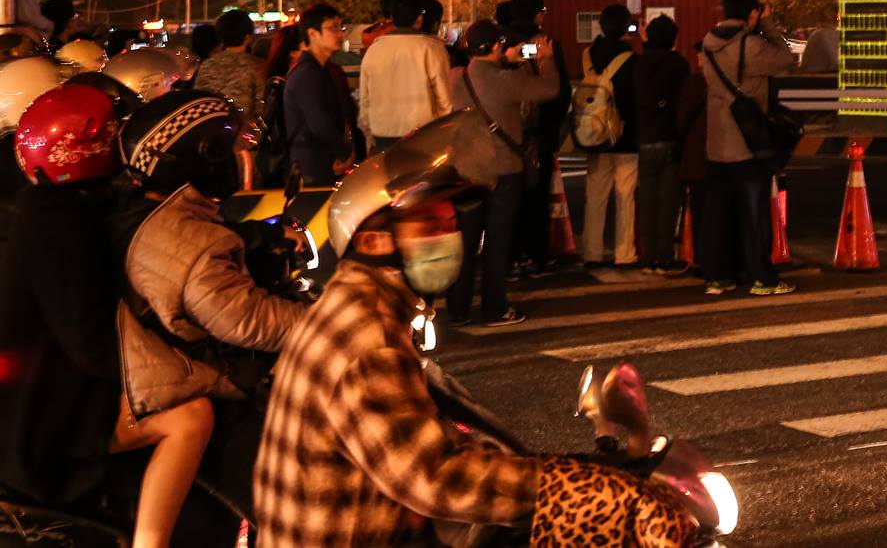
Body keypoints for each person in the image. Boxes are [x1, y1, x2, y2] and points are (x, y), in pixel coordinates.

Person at [252, 111, 691, 548]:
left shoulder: (356, 307)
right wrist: (593, 490)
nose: (449, 237)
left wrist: (577, 469)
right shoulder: (367, 341)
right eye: (429, 225)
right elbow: (440, 477)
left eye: (450, 224)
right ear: (374, 241)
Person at [0, 83, 217, 548]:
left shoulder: (57, 208)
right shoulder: (60, 227)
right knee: (191, 416)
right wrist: (194, 371)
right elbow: (96, 346)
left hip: (47, 393)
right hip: (42, 420)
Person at [112, 90, 308, 525]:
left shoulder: (150, 210)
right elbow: (249, 320)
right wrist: (336, 322)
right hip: (186, 386)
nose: (239, 160)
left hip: (166, 375)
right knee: (301, 499)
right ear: (203, 159)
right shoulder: (181, 239)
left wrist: (259, 237)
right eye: (230, 150)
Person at [444, 20, 558, 327]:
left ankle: (458, 309)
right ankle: (495, 308)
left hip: (467, 170)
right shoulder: (507, 81)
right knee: (497, 240)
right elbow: (549, 89)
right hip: (503, 169)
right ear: (497, 46)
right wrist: (543, 59)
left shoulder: (456, 77)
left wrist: (508, 61)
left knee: (466, 240)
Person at [698, 0, 795, 296]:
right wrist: (767, 24)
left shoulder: (707, 46)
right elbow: (785, 58)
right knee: (754, 214)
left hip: (716, 143)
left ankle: (717, 276)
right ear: (751, 13)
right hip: (747, 143)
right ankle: (761, 277)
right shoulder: (751, 47)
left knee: (717, 213)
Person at [508, 0, 573, 272]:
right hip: (539, 133)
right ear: (538, 13)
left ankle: (511, 254)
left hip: (505, 133)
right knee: (536, 195)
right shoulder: (544, 43)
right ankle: (536, 253)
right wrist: (554, 126)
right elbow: (560, 91)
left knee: (508, 197)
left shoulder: (502, 42)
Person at [578, 4, 640, 269]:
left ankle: (591, 252)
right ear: (626, 28)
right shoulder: (632, 59)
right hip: (625, 136)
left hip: (594, 134)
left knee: (595, 197)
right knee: (625, 196)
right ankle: (624, 253)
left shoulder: (587, 55)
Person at [356, 0, 452, 151]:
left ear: (392, 19)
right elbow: (444, 100)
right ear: (419, 19)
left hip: (382, 134)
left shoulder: (373, 50)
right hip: (423, 134)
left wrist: (369, 134)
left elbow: (365, 100)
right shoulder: (432, 49)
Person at [631, 16, 690, 275]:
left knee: (647, 201)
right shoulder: (678, 63)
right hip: (670, 137)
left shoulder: (640, 63)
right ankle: (665, 258)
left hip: (645, 138)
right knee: (668, 202)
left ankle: (648, 257)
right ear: (674, 39)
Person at [282, 5, 354, 190]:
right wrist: (344, 152)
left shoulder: (319, 69)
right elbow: (319, 122)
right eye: (333, 28)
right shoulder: (307, 73)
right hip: (312, 164)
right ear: (312, 33)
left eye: (341, 27)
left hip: (321, 160)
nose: (340, 34)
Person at [195, 9, 266, 190]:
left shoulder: (207, 66)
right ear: (248, 36)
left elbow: (198, 99)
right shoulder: (257, 67)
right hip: (245, 143)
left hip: (209, 140)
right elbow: (262, 107)